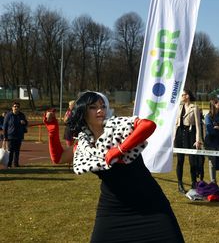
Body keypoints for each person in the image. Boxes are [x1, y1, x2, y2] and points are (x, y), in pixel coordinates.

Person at [44, 91, 184, 243]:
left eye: (102, 106)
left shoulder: (118, 126)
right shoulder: (83, 145)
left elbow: (148, 125)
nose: (100, 110)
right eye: (93, 107)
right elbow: (59, 158)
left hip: (151, 205)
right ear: (83, 112)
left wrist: (119, 149)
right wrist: (52, 131)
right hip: (114, 210)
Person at [174, 89, 203, 193]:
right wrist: (173, 138)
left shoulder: (195, 108)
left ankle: (193, 182)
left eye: (185, 94)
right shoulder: (178, 108)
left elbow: (198, 125)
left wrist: (198, 139)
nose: (183, 96)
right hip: (179, 134)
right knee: (180, 161)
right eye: (182, 95)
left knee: (192, 161)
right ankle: (180, 184)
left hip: (190, 134)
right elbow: (175, 124)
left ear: (189, 95)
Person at [3, 102, 28, 168]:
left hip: (19, 135)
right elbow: (5, 126)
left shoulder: (22, 115)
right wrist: (5, 137)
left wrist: (24, 122)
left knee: (17, 151)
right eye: (15, 106)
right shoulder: (8, 115)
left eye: (17, 106)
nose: (16, 107)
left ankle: (16, 164)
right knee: (11, 151)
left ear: (19, 108)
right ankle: (9, 164)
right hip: (10, 136)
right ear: (12, 108)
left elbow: (26, 123)